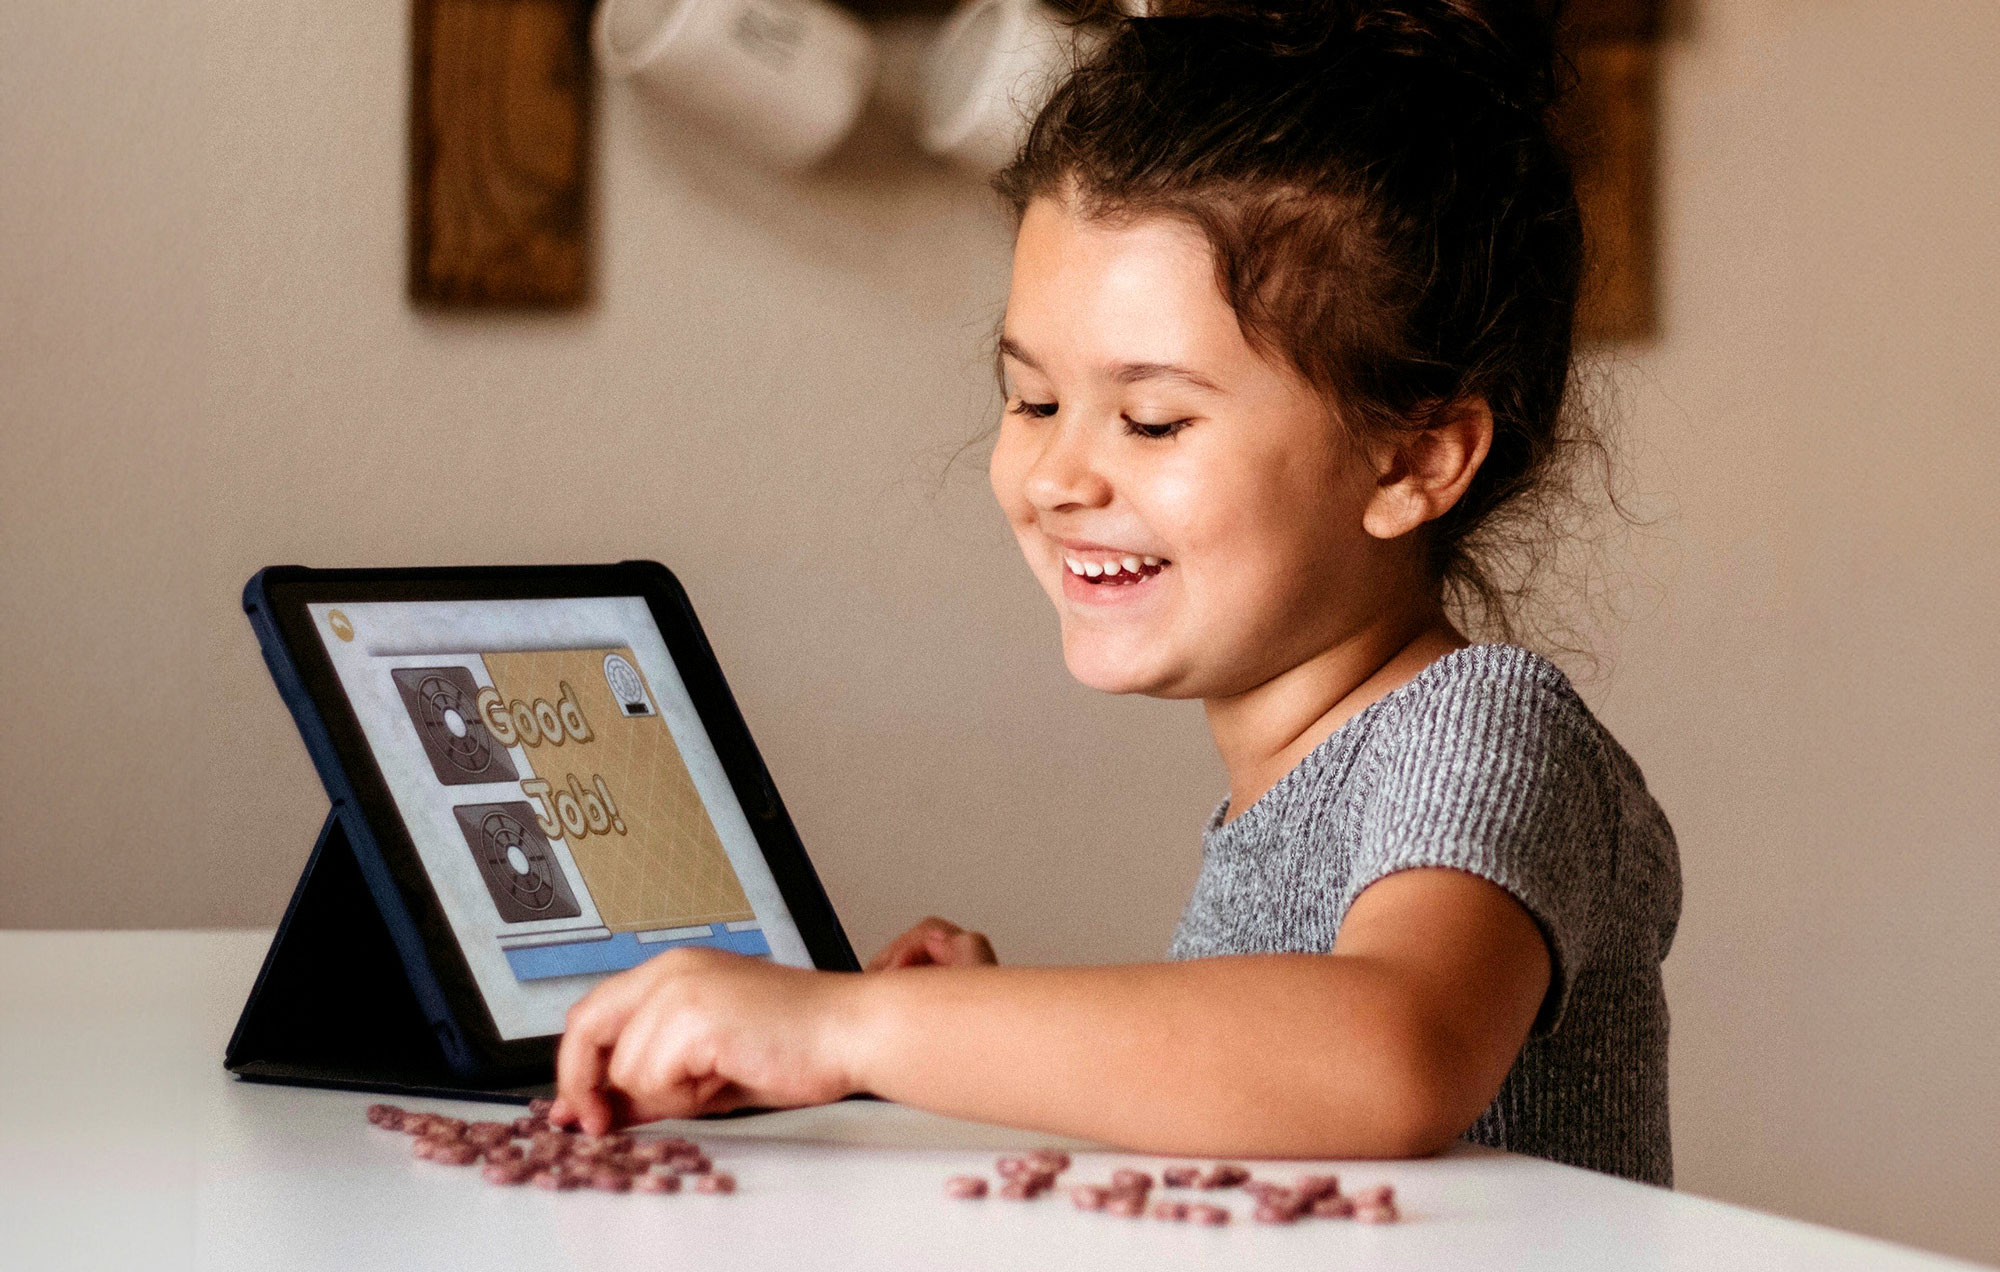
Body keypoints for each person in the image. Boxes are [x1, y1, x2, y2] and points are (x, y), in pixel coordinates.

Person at [550, 0, 1682, 1186]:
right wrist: (977, 1032)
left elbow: (1383, 1055)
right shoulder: (1291, 782)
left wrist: (843, 1026)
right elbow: (1268, 1088)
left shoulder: (1488, 728)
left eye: (1152, 419)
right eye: (1031, 399)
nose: (1054, 475)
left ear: (1410, 459)